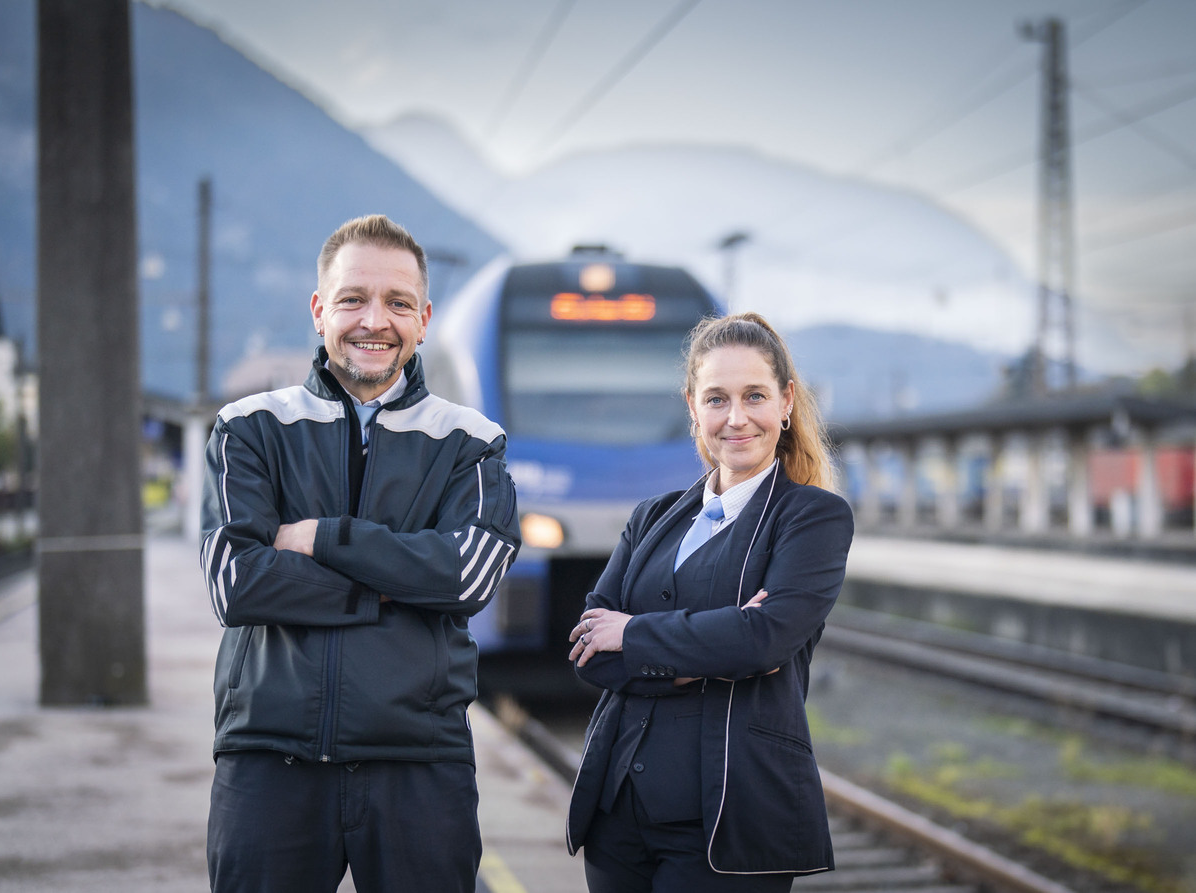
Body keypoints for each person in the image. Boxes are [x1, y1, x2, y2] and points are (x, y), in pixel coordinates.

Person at [199, 214, 521, 892]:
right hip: (269, 761)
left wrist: (326, 539)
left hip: (420, 767)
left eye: (398, 302)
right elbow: (237, 582)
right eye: (353, 299)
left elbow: (468, 576)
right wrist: (389, 586)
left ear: (424, 317)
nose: (375, 320)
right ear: (320, 310)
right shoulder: (249, 429)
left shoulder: (471, 443)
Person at [565, 311, 853, 892]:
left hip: (729, 819)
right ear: (693, 407)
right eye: (717, 399)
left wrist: (635, 634)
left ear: (787, 402)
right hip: (617, 818)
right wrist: (718, 645)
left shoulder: (813, 518)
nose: (736, 417)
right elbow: (590, 652)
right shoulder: (651, 517)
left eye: (755, 396)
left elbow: (765, 638)